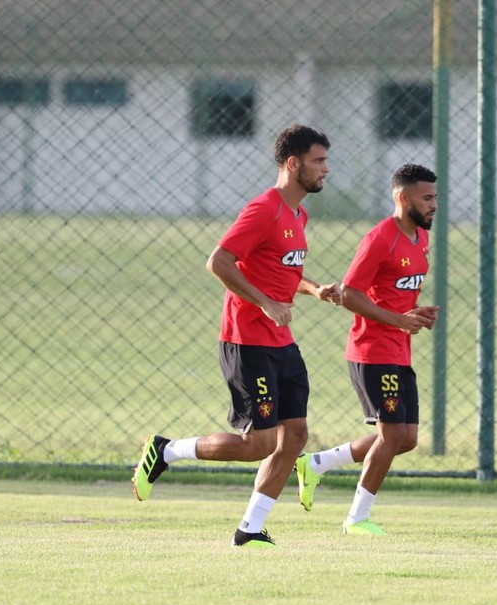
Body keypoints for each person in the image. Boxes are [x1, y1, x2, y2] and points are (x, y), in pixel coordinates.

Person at [132, 124, 342, 548]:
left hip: (281, 342)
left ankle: (250, 528)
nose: (326, 169)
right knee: (257, 444)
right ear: (292, 163)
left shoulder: (298, 214)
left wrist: (313, 288)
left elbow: (281, 270)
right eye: (318, 161)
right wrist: (265, 303)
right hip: (247, 340)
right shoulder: (264, 208)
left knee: (295, 436)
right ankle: (166, 450)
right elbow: (219, 262)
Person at [295, 163, 438, 535]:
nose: (433, 205)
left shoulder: (421, 239)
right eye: (426, 198)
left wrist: (415, 314)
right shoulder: (380, 239)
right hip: (372, 351)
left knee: (405, 439)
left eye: (435, 197)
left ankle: (317, 464)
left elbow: (394, 295)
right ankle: (357, 519)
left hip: (398, 349)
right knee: (390, 437)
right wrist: (397, 320)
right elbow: (350, 295)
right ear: (402, 198)